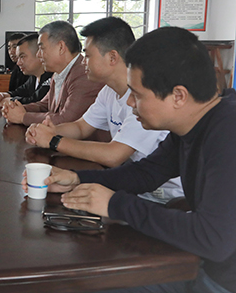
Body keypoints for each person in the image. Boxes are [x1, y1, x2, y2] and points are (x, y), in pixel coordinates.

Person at [26, 27, 236, 293]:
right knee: (76, 285)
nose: (130, 102)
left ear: (178, 96)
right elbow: (146, 173)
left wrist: (115, 204)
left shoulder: (227, 135)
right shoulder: (190, 126)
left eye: (137, 94)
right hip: (199, 266)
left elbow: (214, 239)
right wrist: (76, 178)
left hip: (223, 286)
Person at [24, 17, 182, 203]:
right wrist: (48, 131)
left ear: (112, 57)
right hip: (133, 184)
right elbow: (81, 127)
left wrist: (53, 141)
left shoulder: (146, 98)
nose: (83, 62)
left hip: (166, 199)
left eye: (88, 56)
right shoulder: (109, 91)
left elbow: (113, 155)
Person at [2, 21, 103, 126]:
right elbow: (44, 105)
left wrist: (22, 117)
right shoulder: (58, 73)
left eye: (42, 48)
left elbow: (66, 120)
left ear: (61, 47)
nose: (38, 54)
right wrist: (15, 109)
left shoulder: (84, 75)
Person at [0, 34, 53, 108]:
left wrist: (10, 101)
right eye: (18, 58)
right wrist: (2, 95)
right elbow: (19, 92)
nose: (18, 63)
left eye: (22, 57)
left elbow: (36, 101)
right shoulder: (34, 77)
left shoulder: (52, 77)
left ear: (39, 54)